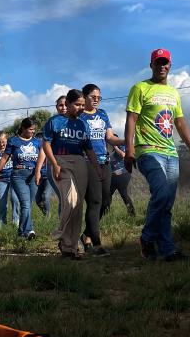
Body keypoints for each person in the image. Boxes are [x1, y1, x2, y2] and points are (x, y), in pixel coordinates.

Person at [124, 48, 190, 262]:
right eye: (158, 62)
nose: (161, 66)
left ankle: (167, 250)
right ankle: (147, 238)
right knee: (161, 192)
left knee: (167, 202)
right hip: (148, 150)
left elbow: (180, 123)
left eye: (165, 62)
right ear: (151, 65)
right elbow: (131, 119)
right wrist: (129, 150)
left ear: (170, 65)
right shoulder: (140, 88)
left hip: (170, 152)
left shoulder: (174, 93)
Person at [42, 89, 105, 259]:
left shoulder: (82, 124)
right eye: (77, 104)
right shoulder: (55, 121)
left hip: (80, 162)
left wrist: (97, 168)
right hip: (61, 161)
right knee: (70, 200)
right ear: (68, 104)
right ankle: (61, 233)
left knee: (78, 207)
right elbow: (46, 144)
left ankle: (70, 247)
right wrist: (54, 164)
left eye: (83, 105)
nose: (81, 108)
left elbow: (88, 148)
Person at [80, 83, 122, 253]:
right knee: (95, 201)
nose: (96, 100)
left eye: (99, 97)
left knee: (106, 201)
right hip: (88, 162)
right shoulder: (79, 116)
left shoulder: (103, 114)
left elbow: (110, 137)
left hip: (105, 162)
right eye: (93, 97)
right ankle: (96, 244)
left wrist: (126, 140)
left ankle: (86, 234)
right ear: (84, 97)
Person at [0, 118, 40, 238]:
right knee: (25, 203)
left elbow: (42, 156)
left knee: (29, 204)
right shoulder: (14, 141)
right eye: (30, 129)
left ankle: (21, 232)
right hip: (18, 175)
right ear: (23, 128)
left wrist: (38, 171)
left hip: (33, 175)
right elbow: (4, 158)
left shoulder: (37, 142)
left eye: (34, 129)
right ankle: (28, 230)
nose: (33, 131)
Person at [107, 143, 136, 216]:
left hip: (123, 174)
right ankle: (105, 214)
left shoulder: (122, 146)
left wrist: (115, 146)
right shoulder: (112, 150)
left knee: (123, 194)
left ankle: (132, 214)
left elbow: (123, 155)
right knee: (107, 195)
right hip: (113, 176)